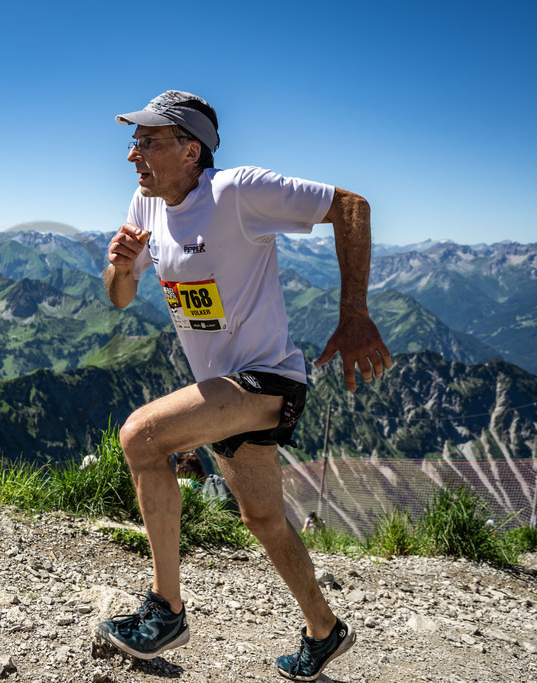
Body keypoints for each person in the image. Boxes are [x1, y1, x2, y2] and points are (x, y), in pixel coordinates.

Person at [97, 90, 391, 682]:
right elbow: (120, 298)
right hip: (223, 388)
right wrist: (121, 268)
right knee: (263, 519)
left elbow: (351, 206)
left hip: (267, 378)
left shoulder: (237, 191)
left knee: (141, 438)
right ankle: (324, 629)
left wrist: (354, 312)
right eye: (134, 141)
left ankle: (166, 610)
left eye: (148, 141)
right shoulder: (146, 204)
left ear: (191, 150)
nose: (133, 155)